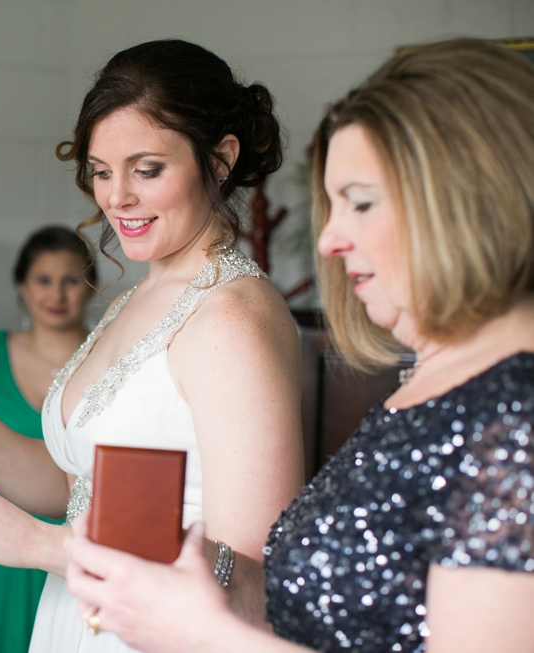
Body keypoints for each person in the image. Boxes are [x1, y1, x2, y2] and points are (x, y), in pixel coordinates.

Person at [63, 39, 534, 653]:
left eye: (361, 203)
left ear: (473, 203)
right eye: (332, 206)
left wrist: (203, 635)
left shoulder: (513, 411)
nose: (332, 239)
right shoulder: (434, 386)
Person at [0, 39, 305, 653]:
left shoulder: (233, 316)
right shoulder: (134, 299)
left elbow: (251, 577)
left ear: (220, 160)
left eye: (147, 169)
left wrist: (44, 547)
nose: (117, 197)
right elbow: (82, 487)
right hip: (80, 618)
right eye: (100, 171)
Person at [0, 226, 96, 653]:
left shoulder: (108, 358)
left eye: (71, 280)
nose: (57, 293)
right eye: (43, 280)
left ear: (91, 288)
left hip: (78, 543)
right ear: (22, 289)